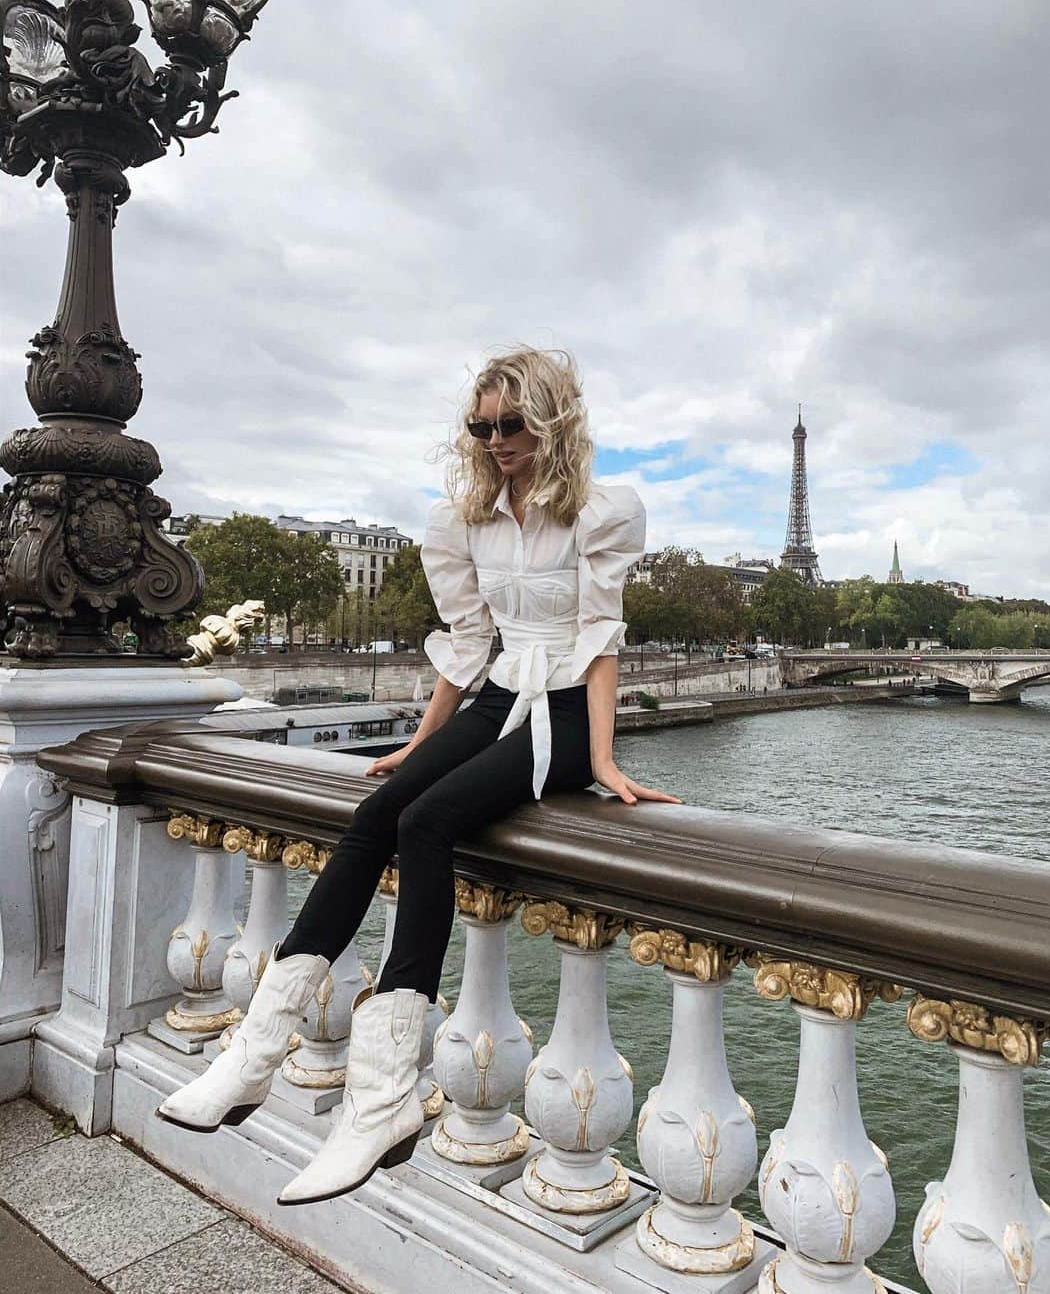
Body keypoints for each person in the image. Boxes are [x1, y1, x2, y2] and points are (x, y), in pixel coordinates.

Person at [155, 347, 680, 1205]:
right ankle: (254, 1051)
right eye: (481, 426)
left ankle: (385, 1096)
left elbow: (601, 637)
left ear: (551, 421)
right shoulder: (466, 517)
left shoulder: (598, 514)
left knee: (426, 823)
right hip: (501, 695)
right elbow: (471, 647)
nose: (495, 441)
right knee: (380, 809)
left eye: (510, 424)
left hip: (566, 714)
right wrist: (419, 740)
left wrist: (606, 755)